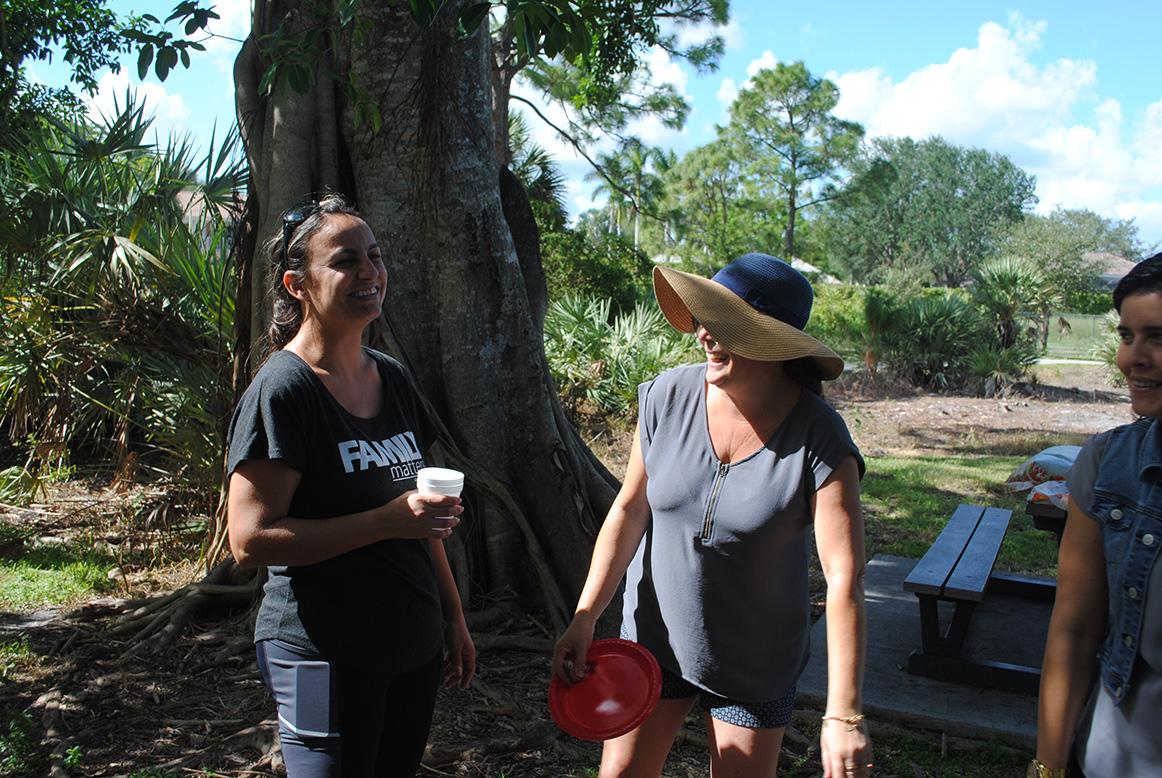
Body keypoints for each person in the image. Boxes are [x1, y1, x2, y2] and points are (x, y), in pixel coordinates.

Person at [552, 253, 873, 778]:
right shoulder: (665, 397)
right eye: (704, 318)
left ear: (774, 342)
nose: (703, 333)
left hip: (754, 663)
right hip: (654, 639)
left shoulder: (819, 436)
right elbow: (630, 509)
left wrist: (843, 713)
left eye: (725, 324)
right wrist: (586, 616)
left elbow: (844, 577)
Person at [225, 193, 475, 777]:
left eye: (375, 256)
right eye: (344, 261)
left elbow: (420, 517)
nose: (369, 272)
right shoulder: (285, 389)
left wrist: (453, 615)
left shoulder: (391, 376)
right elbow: (249, 540)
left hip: (412, 646)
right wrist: (383, 523)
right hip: (322, 655)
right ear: (297, 285)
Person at [1034, 251, 1162, 778]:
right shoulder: (1108, 465)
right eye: (1127, 336)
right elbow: (1074, 630)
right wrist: (1047, 767)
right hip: (1110, 759)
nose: (1133, 359)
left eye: (1157, 337)